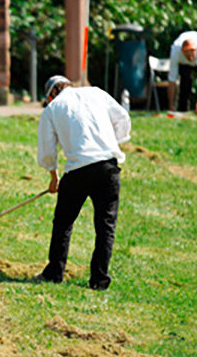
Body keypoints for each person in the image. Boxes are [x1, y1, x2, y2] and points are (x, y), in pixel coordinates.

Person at [34, 75, 130, 291]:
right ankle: (99, 280)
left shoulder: (52, 109)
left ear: (51, 95)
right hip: (108, 167)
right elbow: (123, 117)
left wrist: (53, 176)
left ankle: (54, 273)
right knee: (106, 227)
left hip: (78, 171)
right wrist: (112, 142)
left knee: (63, 223)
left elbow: (47, 149)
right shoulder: (95, 92)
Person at [167, 30, 197, 115]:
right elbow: (172, 80)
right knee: (185, 81)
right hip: (184, 65)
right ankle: (183, 109)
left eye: (192, 54)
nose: (190, 57)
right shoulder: (175, 51)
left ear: (196, 50)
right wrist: (171, 105)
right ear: (182, 52)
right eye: (187, 54)